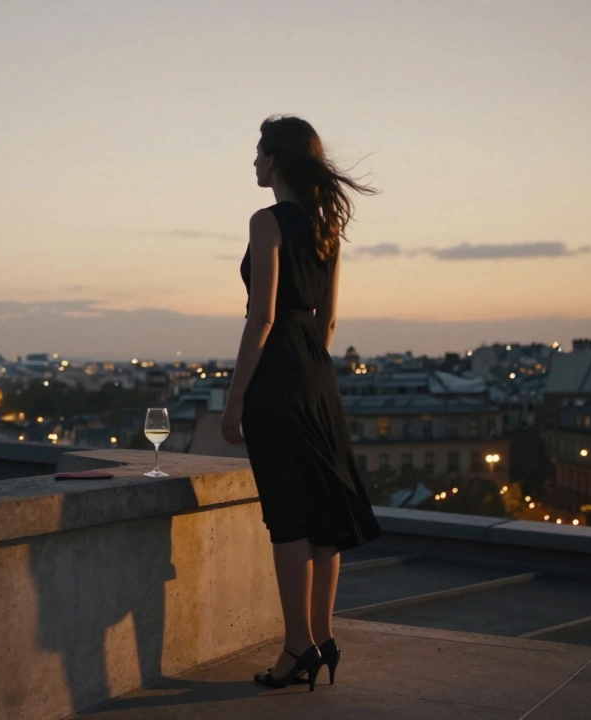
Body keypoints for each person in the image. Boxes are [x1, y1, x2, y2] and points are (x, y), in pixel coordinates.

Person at [220, 114, 383, 692]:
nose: (254, 161)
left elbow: (260, 316)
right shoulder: (325, 227)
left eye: (260, 151)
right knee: (322, 520)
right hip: (317, 373)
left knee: (287, 517)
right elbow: (329, 319)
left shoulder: (265, 223)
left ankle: (296, 647)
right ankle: (323, 635)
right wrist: (309, 365)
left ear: (280, 160)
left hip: (278, 374)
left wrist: (235, 398)